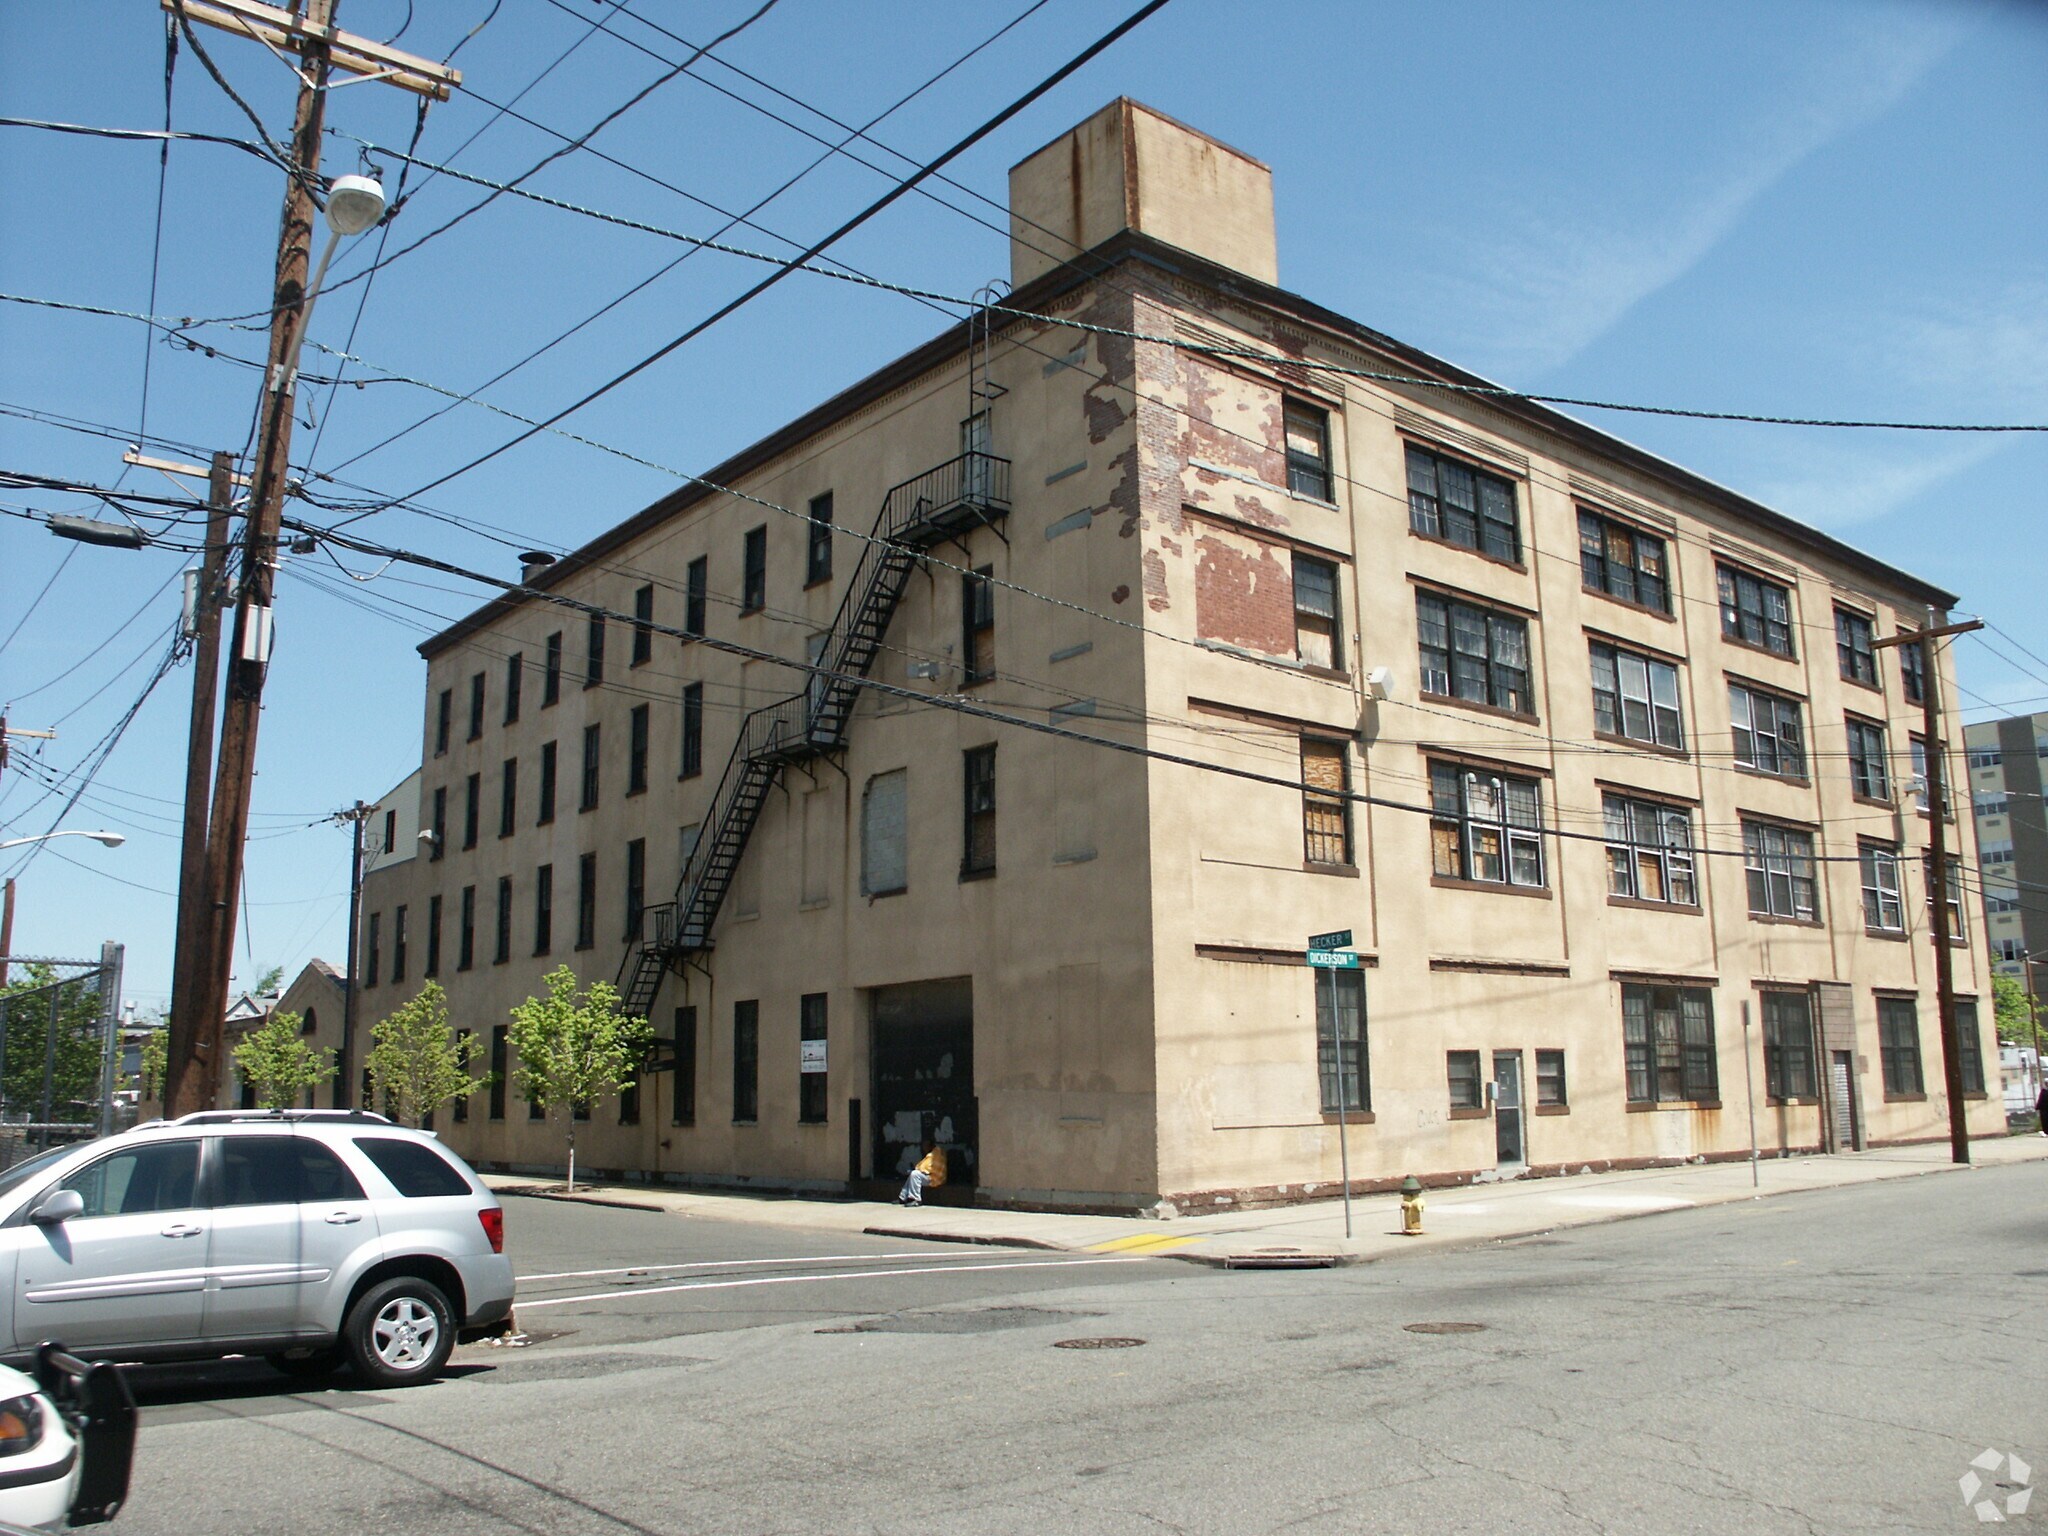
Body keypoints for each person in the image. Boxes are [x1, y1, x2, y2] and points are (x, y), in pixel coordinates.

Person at [898, 1136, 947, 1206]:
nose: (924, 1148)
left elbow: (927, 1168)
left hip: (935, 1178)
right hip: (931, 1176)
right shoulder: (933, 1153)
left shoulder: (936, 1153)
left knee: (915, 1174)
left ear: (930, 1145)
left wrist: (915, 1170)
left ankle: (916, 1200)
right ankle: (903, 1198)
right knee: (912, 1175)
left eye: (925, 1145)